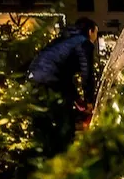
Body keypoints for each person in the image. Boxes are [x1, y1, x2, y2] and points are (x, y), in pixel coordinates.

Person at [27, 17, 99, 156]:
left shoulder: (64, 40)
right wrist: (89, 101)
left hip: (34, 78)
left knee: (43, 121)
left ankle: (42, 157)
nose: (95, 38)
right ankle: (65, 157)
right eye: (96, 33)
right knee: (65, 119)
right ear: (90, 31)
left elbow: (64, 75)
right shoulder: (84, 43)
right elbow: (87, 73)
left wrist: (77, 99)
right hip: (50, 81)